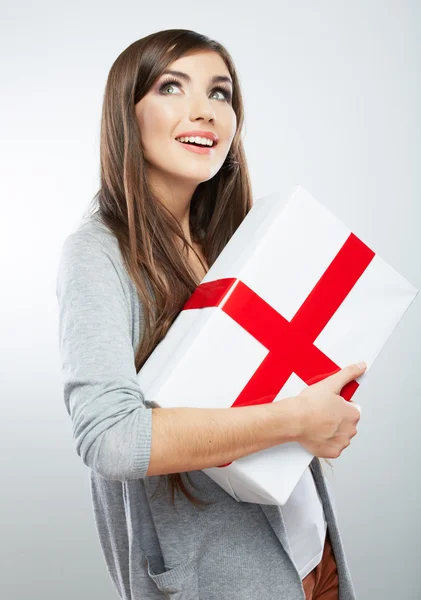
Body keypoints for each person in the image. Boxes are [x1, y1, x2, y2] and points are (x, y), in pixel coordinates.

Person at [56, 29, 365, 600]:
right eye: (172, 87)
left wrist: (323, 397)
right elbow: (112, 439)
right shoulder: (99, 252)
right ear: (127, 115)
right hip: (223, 580)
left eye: (220, 94)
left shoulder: (234, 240)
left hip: (312, 555)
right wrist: (295, 420)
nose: (204, 111)